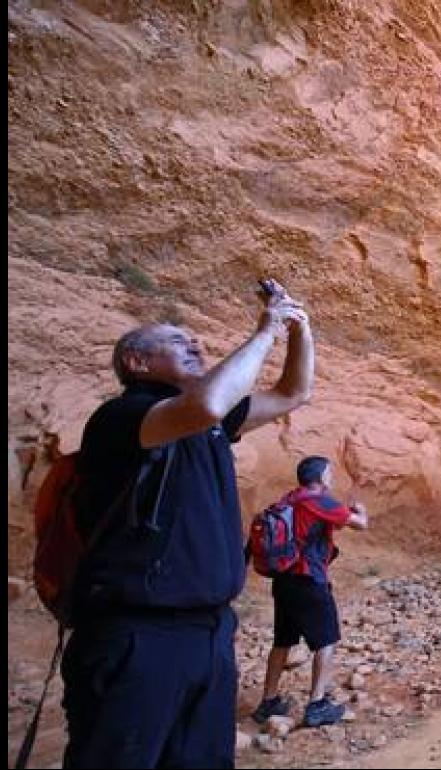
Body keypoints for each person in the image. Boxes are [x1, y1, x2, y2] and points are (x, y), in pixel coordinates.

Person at [63, 279, 314, 769]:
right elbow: (206, 404)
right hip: (137, 636)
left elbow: (293, 392)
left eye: (196, 340)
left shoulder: (212, 425)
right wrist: (265, 331)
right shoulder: (123, 417)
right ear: (137, 363)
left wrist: (298, 326)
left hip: (209, 633)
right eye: (179, 342)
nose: (196, 345)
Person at [251, 456, 368, 728]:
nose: (332, 477)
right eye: (330, 473)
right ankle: (317, 705)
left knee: (282, 641)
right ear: (321, 477)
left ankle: (268, 702)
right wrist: (361, 511)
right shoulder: (319, 500)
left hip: (283, 581)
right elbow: (359, 524)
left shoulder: (290, 500)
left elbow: (324, 525)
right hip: (308, 580)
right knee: (326, 640)